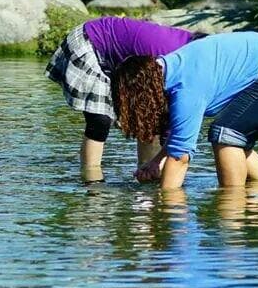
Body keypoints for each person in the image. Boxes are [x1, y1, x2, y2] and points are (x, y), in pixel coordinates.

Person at [111, 31, 258, 190]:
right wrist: (157, 161)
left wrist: (165, 206)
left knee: (226, 134)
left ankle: (232, 207)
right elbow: (179, 137)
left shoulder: (186, 88)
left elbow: (180, 157)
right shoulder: (166, 70)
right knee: (235, 137)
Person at [45, 16, 200, 179]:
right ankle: (92, 181)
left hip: (116, 56)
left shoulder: (192, 58)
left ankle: (147, 172)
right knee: (100, 121)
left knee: (153, 115)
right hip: (90, 43)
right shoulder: (175, 57)